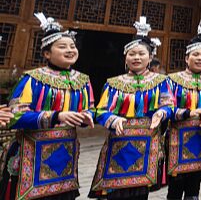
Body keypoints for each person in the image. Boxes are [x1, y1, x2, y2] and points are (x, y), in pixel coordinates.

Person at [1, 13, 95, 200]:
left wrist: (87, 117)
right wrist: (56, 116)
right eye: (62, 47)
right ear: (46, 53)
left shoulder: (83, 80)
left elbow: (90, 108)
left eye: (72, 46)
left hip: (65, 153)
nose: (70, 50)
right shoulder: (32, 79)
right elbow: (15, 116)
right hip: (32, 152)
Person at [90, 16, 174, 199]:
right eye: (132, 54)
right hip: (118, 143)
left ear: (150, 57)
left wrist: (162, 112)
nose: (136, 57)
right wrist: (113, 119)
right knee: (115, 193)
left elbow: (169, 104)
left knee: (140, 193)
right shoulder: (113, 84)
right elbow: (101, 111)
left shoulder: (161, 82)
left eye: (141, 54)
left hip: (147, 144)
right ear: (125, 57)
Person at [166, 21, 201, 200]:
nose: (200, 58)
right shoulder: (172, 80)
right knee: (176, 187)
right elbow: (166, 107)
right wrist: (189, 113)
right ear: (186, 58)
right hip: (177, 140)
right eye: (195, 54)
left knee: (194, 186)